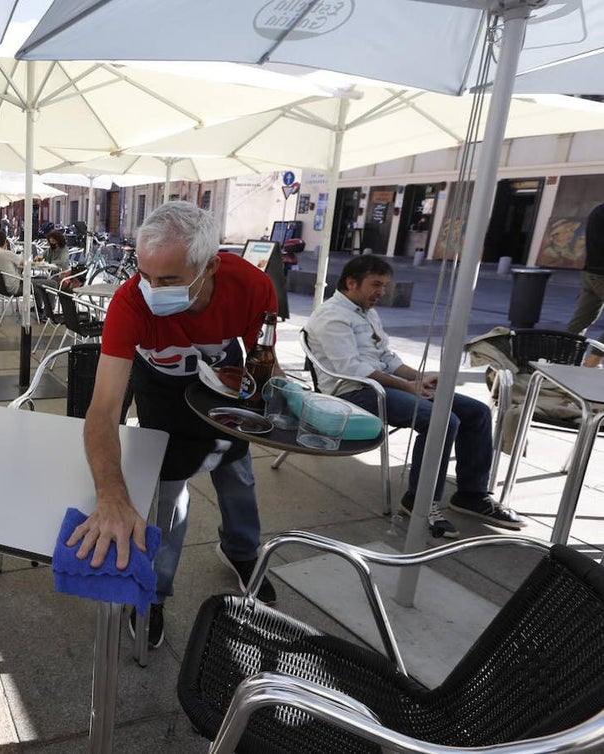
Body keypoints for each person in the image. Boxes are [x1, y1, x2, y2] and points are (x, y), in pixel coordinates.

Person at [69, 201, 278, 649]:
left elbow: (262, 360)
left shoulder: (253, 286)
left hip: (222, 381)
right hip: (159, 385)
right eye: (144, 274)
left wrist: (266, 397)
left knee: (237, 473)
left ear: (210, 266)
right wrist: (111, 497)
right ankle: (154, 592)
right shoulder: (130, 304)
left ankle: (243, 552)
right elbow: (103, 411)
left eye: (167, 280)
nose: (150, 289)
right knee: (168, 495)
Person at [306, 255, 524, 538]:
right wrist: (406, 386)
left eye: (384, 285)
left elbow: (386, 357)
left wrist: (417, 378)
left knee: (477, 412)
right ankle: (421, 500)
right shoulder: (332, 316)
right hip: (353, 393)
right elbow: (352, 370)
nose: (381, 292)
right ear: (351, 282)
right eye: (376, 285)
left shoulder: (365, 311)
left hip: (383, 386)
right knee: (439, 420)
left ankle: (471, 494)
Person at [567, 202, 604, 367]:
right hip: (601, 274)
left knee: (582, 318)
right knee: (583, 318)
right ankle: (593, 361)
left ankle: (563, 355)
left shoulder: (598, 209)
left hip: (590, 272)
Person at [0, 230, 23, 295]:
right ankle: (40, 305)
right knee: (39, 285)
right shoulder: (7, 254)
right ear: (5, 241)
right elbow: (23, 262)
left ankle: (39, 305)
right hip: (13, 287)